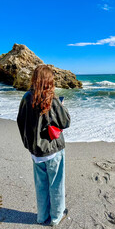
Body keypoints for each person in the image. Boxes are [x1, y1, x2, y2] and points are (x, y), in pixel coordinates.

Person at [17, 65, 70, 226]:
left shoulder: (27, 97)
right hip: (52, 149)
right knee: (56, 184)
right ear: (49, 81)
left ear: (34, 79)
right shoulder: (52, 99)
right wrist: (61, 104)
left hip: (36, 151)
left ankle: (42, 216)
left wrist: (28, 144)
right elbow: (65, 121)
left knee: (41, 185)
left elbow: (21, 122)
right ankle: (56, 217)